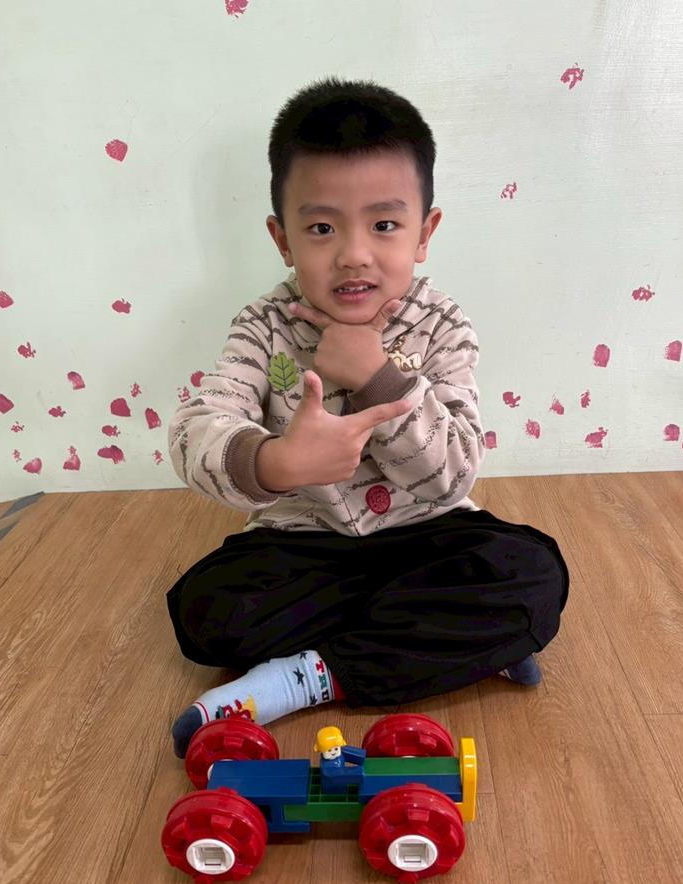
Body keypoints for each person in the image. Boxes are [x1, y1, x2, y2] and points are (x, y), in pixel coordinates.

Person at [166, 76, 570, 759]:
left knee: (532, 575)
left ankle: (303, 678)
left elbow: (452, 475)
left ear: (423, 233)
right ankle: (450, 643)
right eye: (321, 227)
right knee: (203, 609)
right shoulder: (263, 327)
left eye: (384, 225)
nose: (353, 253)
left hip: (428, 535)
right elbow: (197, 427)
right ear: (283, 239)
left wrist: (377, 375)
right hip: (302, 545)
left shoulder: (443, 325)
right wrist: (275, 461)